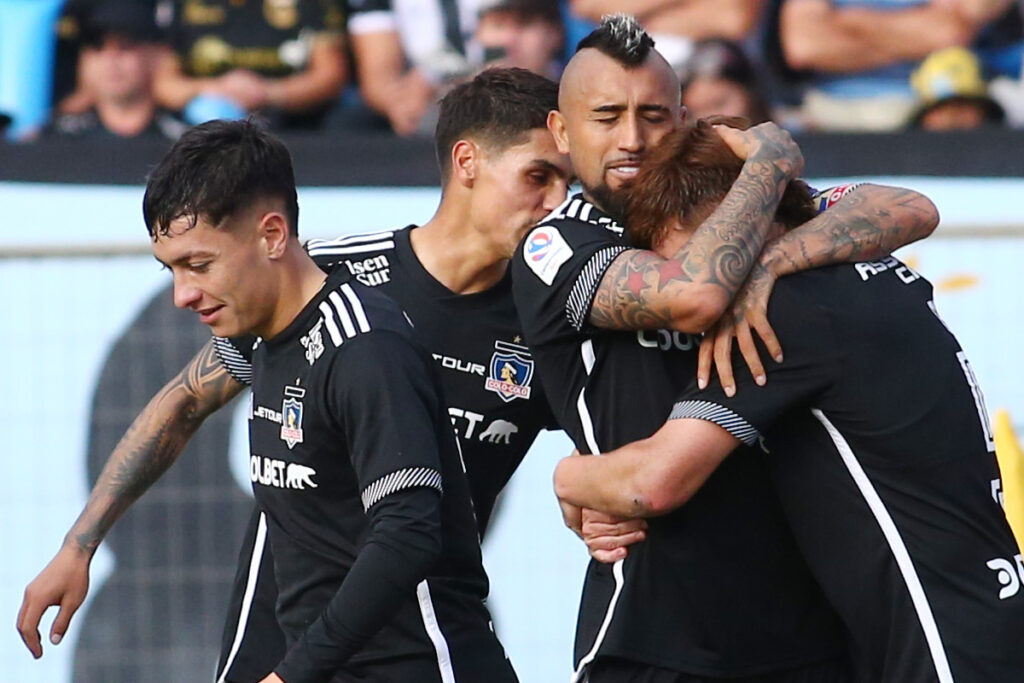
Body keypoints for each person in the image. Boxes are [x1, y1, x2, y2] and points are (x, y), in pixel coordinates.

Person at [17, 67, 573, 682]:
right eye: (538, 176)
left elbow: (612, 450)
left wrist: (593, 487)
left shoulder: (540, 326)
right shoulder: (316, 289)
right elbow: (184, 402)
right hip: (285, 634)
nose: (555, 203)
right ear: (467, 161)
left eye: (564, 182)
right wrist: (80, 544)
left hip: (416, 638)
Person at [510, 14, 939, 682]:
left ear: (684, 120)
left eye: (653, 114)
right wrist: (768, 165)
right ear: (562, 133)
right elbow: (695, 295)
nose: (632, 138)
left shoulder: (728, 213)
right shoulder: (555, 245)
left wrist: (771, 261)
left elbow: (911, 208)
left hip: (808, 630)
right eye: (606, 116)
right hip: (653, 634)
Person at [553, 117, 1024, 681]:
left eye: (689, 259)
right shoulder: (864, 264)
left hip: (937, 637)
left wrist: (569, 478)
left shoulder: (783, 314)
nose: (693, 289)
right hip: (979, 604)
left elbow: (651, 482)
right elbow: (913, 206)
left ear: (733, 221)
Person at [153, 0, 347, 129]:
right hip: (205, 124)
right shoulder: (186, 6)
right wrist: (218, 89)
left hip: (292, 121)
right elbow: (164, 85)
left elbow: (331, 76)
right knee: (208, 112)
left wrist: (267, 93)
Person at [45, 0, 184, 140]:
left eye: (125, 46)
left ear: (156, 54)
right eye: (97, 47)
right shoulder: (54, 138)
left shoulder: (183, 138)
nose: (111, 60)